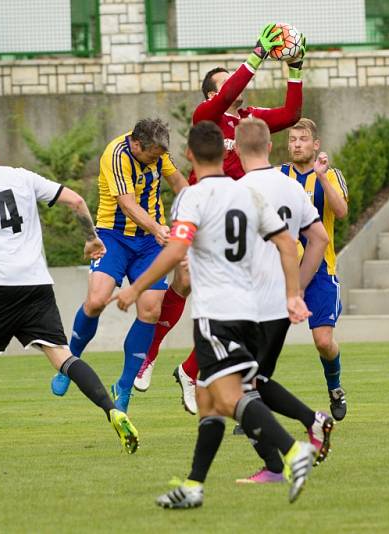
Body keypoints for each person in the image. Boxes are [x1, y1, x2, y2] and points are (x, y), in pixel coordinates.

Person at [113, 121, 317, 508]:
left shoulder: (192, 197)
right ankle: (193, 486)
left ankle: (293, 451)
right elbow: (288, 244)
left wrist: (136, 288)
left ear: (189, 155)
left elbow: (175, 251)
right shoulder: (247, 194)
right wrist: (292, 294)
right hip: (252, 310)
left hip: (217, 313)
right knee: (208, 400)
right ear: (225, 154)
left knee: (228, 398)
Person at [0, 126, 139, 461]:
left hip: (0, 287)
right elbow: (76, 200)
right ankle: (113, 411)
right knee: (62, 357)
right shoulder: (22, 177)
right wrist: (92, 239)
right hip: (37, 284)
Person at [134, 23, 306, 407]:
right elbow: (228, 90)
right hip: (203, 207)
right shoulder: (206, 114)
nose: (236, 86)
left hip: (239, 217)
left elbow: (293, 113)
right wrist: (257, 54)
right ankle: (148, 356)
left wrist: (296, 67)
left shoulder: (249, 118)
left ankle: (189, 371)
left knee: (232, 298)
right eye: (226, 82)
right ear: (213, 92)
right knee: (184, 279)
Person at [48, 119, 188, 413]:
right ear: (137, 145)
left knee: (151, 309)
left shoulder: (158, 151)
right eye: (151, 155)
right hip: (112, 236)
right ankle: (69, 360)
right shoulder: (116, 154)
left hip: (150, 243)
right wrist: (158, 229)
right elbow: (127, 204)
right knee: (97, 300)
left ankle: (123, 387)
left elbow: (179, 184)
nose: (156, 160)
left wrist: (194, 212)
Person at [234, 117, 334, 483]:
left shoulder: (240, 190)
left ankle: (283, 457)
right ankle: (303, 434)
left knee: (238, 386)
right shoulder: (291, 186)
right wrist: (297, 288)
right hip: (279, 301)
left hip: (251, 302)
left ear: (238, 147)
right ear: (270, 146)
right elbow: (319, 239)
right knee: (254, 382)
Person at [281, 118, 349, 420]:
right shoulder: (278, 176)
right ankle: (250, 406)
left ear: (315, 144)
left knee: (323, 341)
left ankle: (334, 387)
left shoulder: (331, 175)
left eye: (303, 139)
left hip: (321, 270)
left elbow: (343, 211)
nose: (297, 144)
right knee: (261, 339)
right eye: (293, 139)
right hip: (282, 271)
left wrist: (321, 178)